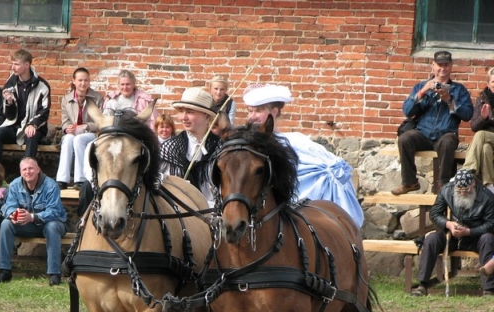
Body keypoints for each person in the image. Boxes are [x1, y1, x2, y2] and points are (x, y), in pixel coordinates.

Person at [243, 83, 364, 228]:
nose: (252, 116)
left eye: (258, 111)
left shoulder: (297, 143)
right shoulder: (244, 144)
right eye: (250, 111)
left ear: (274, 111)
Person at [391, 51, 474, 195]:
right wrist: (423, 91)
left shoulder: (459, 90)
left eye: (446, 65)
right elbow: (408, 111)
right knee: (405, 138)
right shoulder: (421, 86)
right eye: (439, 65)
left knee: (448, 141)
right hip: (423, 133)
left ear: (451, 66)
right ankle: (410, 182)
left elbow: (467, 115)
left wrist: (449, 99)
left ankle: (444, 185)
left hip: (446, 134)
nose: (443, 69)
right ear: (433, 66)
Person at [411, 169, 494, 297]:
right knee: (432, 239)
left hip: (476, 237)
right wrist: (448, 224)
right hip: (452, 235)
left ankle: (488, 289)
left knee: (488, 239)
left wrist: (469, 231)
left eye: (465, 190)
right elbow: (434, 213)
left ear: (473, 184)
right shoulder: (447, 190)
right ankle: (422, 284)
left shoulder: (487, 197)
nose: (462, 193)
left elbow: (491, 224)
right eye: (459, 190)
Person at [0, 157, 67, 286]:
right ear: (21, 172)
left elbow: (55, 211)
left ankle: (54, 273)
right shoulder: (15, 185)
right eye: (25, 169)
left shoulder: (51, 186)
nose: (28, 172)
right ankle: (4, 270)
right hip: (27, 225)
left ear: (38, 169)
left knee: (52, 227)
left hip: (51, 224)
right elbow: (9, 206)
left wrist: (33, 217)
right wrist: (14, 214)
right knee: (6, 224)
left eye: (31, 168)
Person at [160, 87, 222, 206]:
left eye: (189, 112)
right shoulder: (170, 148)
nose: (183, 117)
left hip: (214, 216)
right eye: (181, 111)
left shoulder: (220, 148)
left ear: (206, 115)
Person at [0, 49, 51, 164]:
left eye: (16, 64)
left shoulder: (42, 86)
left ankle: (27, 174)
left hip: (35, 127)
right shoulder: (10, 83)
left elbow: (44, 111)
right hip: (15, 126)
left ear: (27, 65)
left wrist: (33, 124)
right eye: (12, 64)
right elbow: (9, 116)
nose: (12, 67)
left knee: (31, 136)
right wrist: (9, 102)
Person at [56, 67, 104, 189]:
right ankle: (62, 179)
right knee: (67, 139)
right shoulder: (66, 99)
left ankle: (80, 179)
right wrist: (67, 128)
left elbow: (101, 122)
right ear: (74, 81)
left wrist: (87, 126)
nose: (83, 83)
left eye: (86, 80)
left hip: (91, 134)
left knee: (79, 140)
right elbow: (65, 120)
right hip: (73, 133)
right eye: (80, 80)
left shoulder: (97, 98)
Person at [463, 67, 494, 192]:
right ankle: (489, 185)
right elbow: (474, 127)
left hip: (486, 135)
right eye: (493, 82)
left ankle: (467, 170)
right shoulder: (482, 100)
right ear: (488, 84)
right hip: (488, 140)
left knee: (481, 135)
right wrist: (483, 117)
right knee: (485, 148)